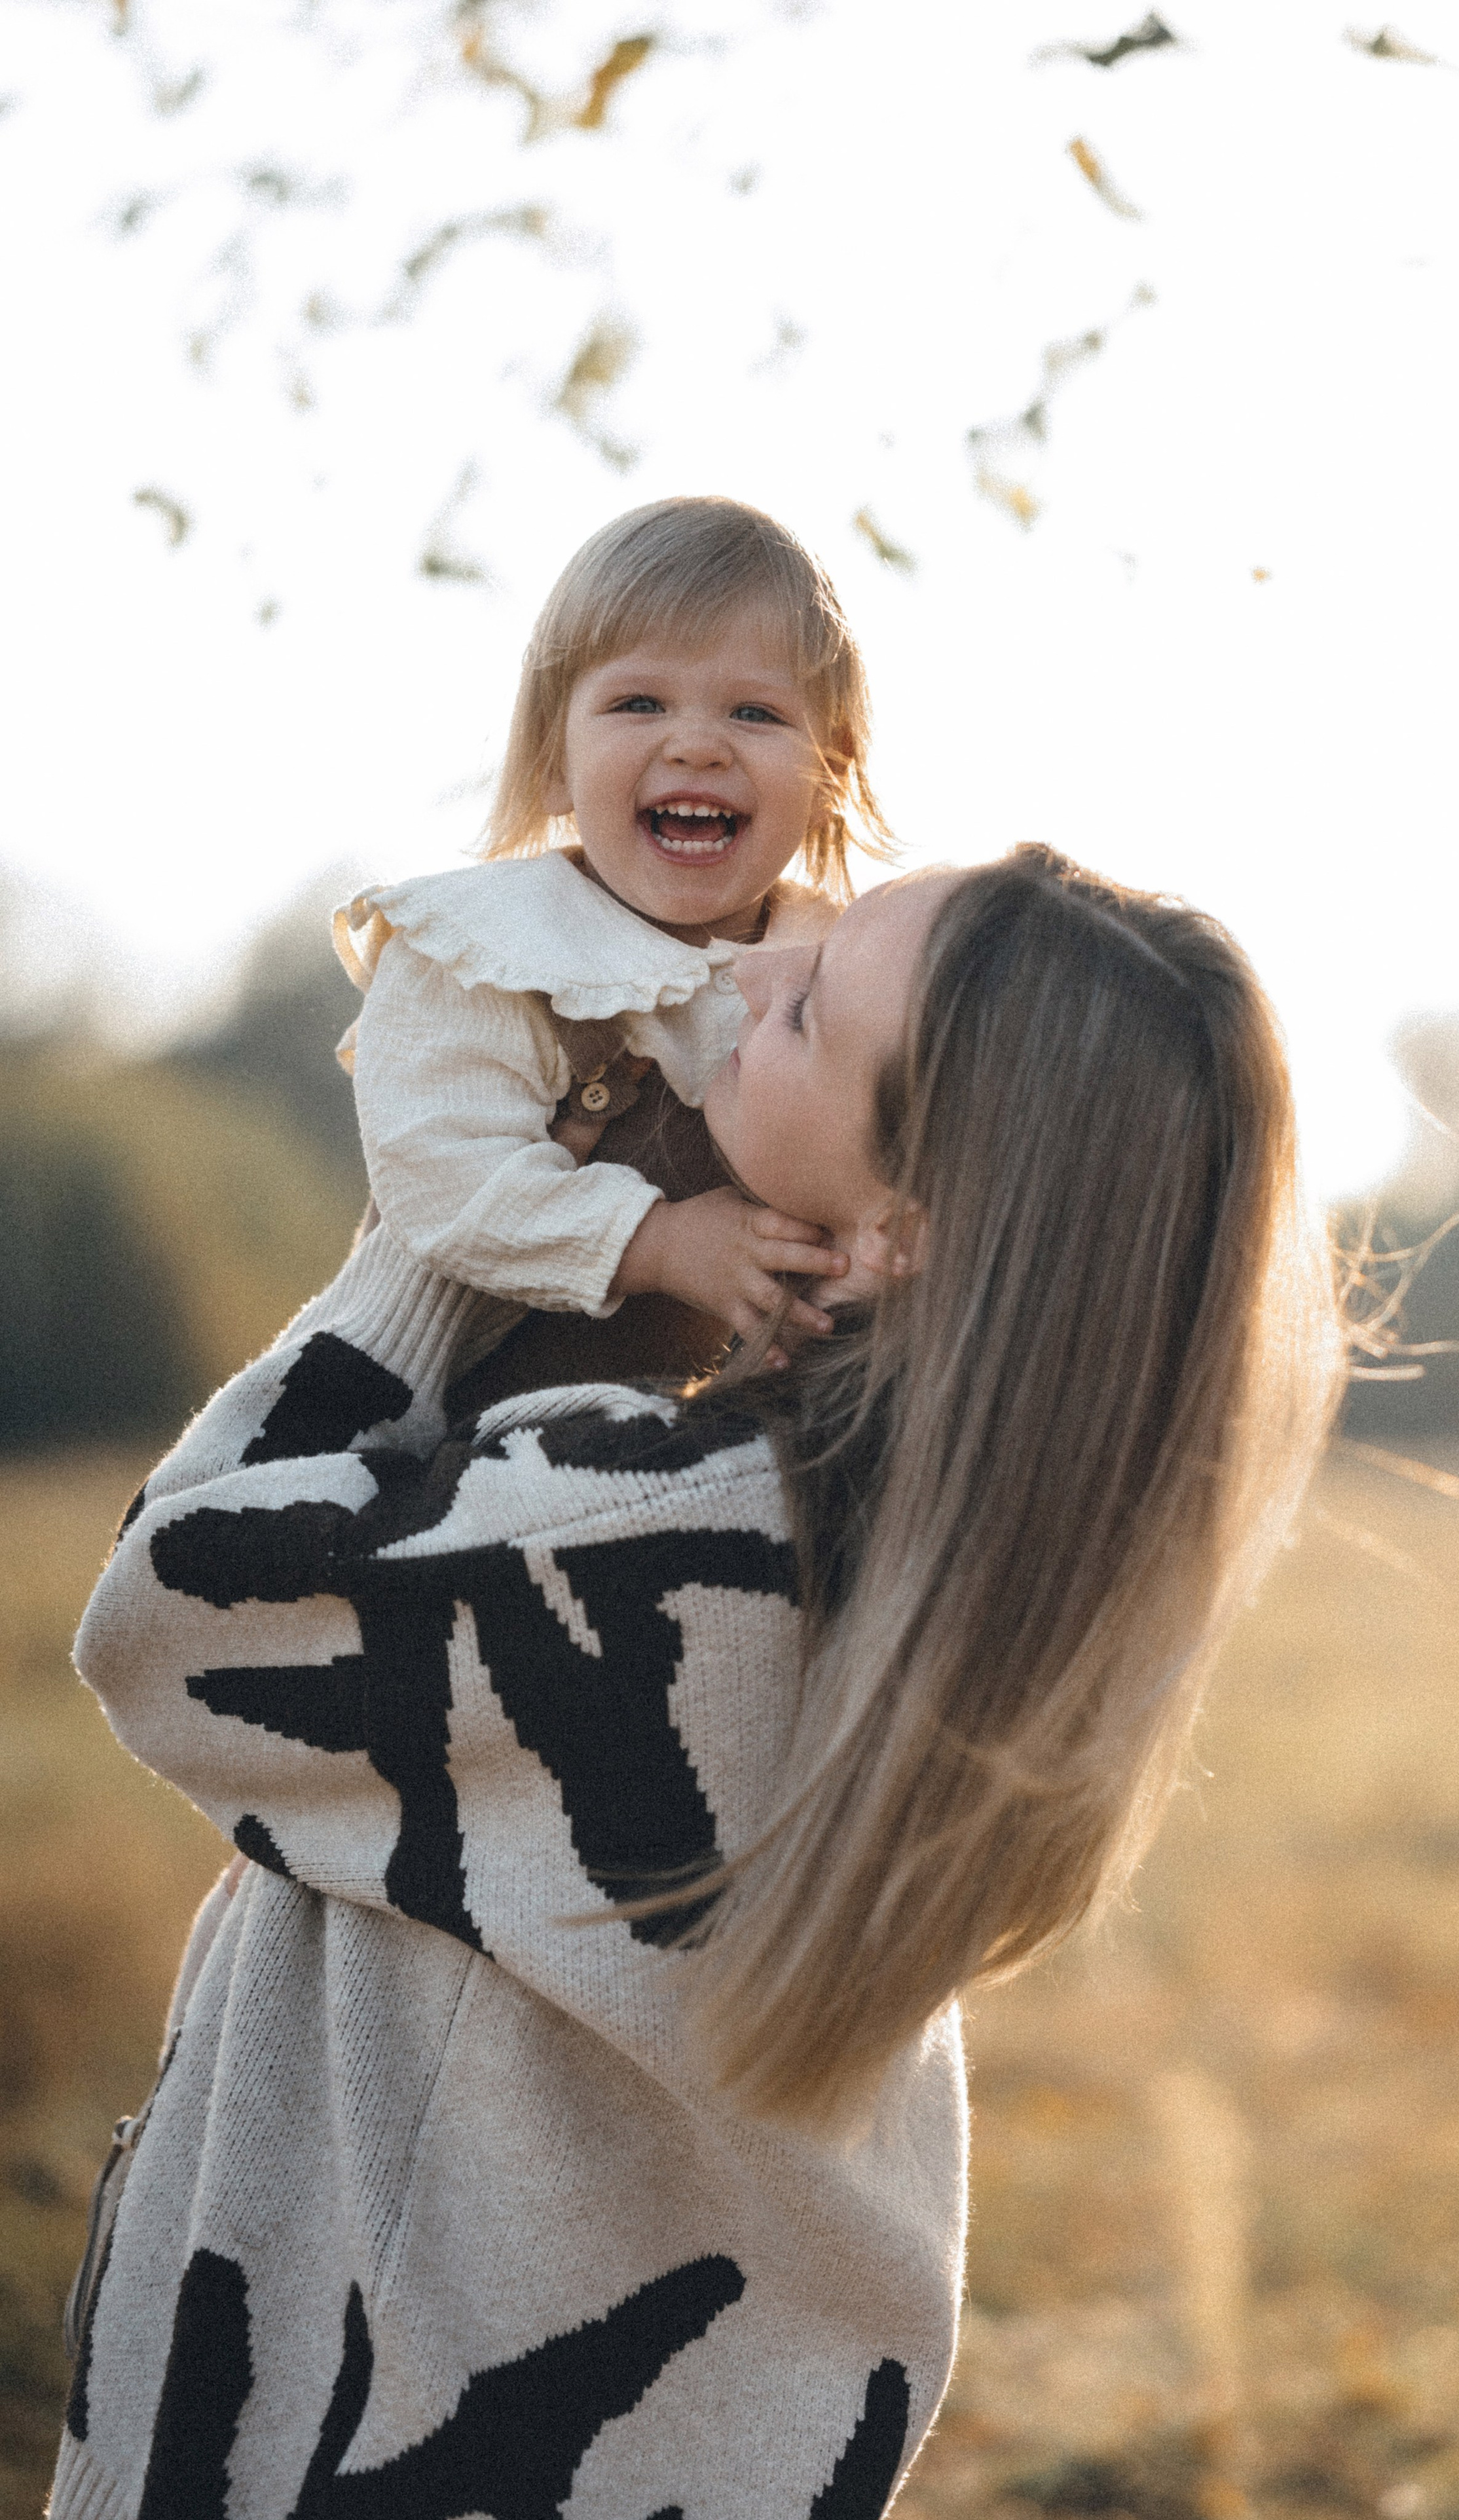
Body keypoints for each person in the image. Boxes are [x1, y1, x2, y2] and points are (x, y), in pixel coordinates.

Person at [52, 851, 1342, 2520]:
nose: (741, 979)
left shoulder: (658, 1545)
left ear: (899, 1233)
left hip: (359, 2449)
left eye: (807, 1010)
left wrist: (464, 1227)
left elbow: (164, 1610)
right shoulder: (938, 1591)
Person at [333, 494, 890, 1395]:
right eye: (639, 702)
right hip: (423, 1398)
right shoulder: (490, 950)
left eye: (755, 713)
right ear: (553, 762)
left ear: (831, 773)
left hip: (701, 1412)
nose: (698, 746)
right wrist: (659, 1244)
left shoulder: (840, 969)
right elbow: (440, 1176)